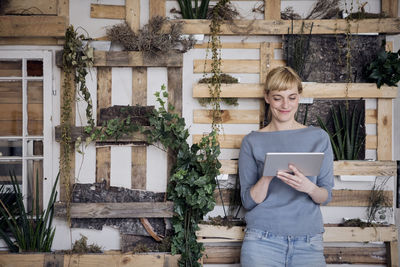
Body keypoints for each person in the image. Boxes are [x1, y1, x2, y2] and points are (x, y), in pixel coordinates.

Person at [239, 66, 334, 267]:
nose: (285, 105)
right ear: (267, 97)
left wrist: (307, 187)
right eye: (277, 97)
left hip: (308, 242)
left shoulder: (318, 138)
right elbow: (248, 202)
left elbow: (326, 196)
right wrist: (267, 176)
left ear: (299, 97)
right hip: (261, 242)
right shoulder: (252, 141)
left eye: (292, 97)